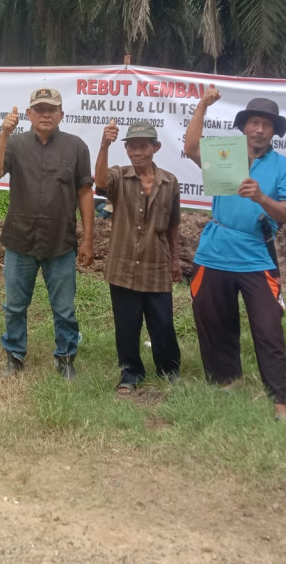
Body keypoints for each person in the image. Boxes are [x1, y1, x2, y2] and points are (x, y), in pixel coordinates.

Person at [183, 89, 286, 421]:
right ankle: (226, 381)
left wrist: (262, 198)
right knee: (213, 320)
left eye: (266, 124)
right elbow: (190, 148)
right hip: (214, 252)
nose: (260, 130)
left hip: (256, 256)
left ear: (275, 131)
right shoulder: (227, 154)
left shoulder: (284, 168)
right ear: (245, 127)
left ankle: (278, 399)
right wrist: (203, 105)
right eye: (254, 122)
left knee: (268, 327)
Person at [0, 87, 94, 380]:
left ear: (61, 114)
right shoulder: (16, 144)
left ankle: (66, 359)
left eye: (52, 109)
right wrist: (4, 134)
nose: (46, 114)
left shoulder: (76, 147)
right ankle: (15, 357)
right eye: (40, 109)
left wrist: (88, 239)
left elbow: (85, 192)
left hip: (61, 241)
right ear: (30, 114)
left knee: (64, 309)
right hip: (20, 239)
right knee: (15, 306)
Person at [95, 119, 182, 393]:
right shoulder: (119, 176)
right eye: (131, 146)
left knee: (163, 322)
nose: (136, 151)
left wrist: (175, 259)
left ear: (155, 147)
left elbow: (174, 224)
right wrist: (104, 145)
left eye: (142, 146)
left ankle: (168, 370)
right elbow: (98, 182)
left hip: (156, 262)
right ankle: (130, 374)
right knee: (127, 325)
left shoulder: (169, 182)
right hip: (122, 264)